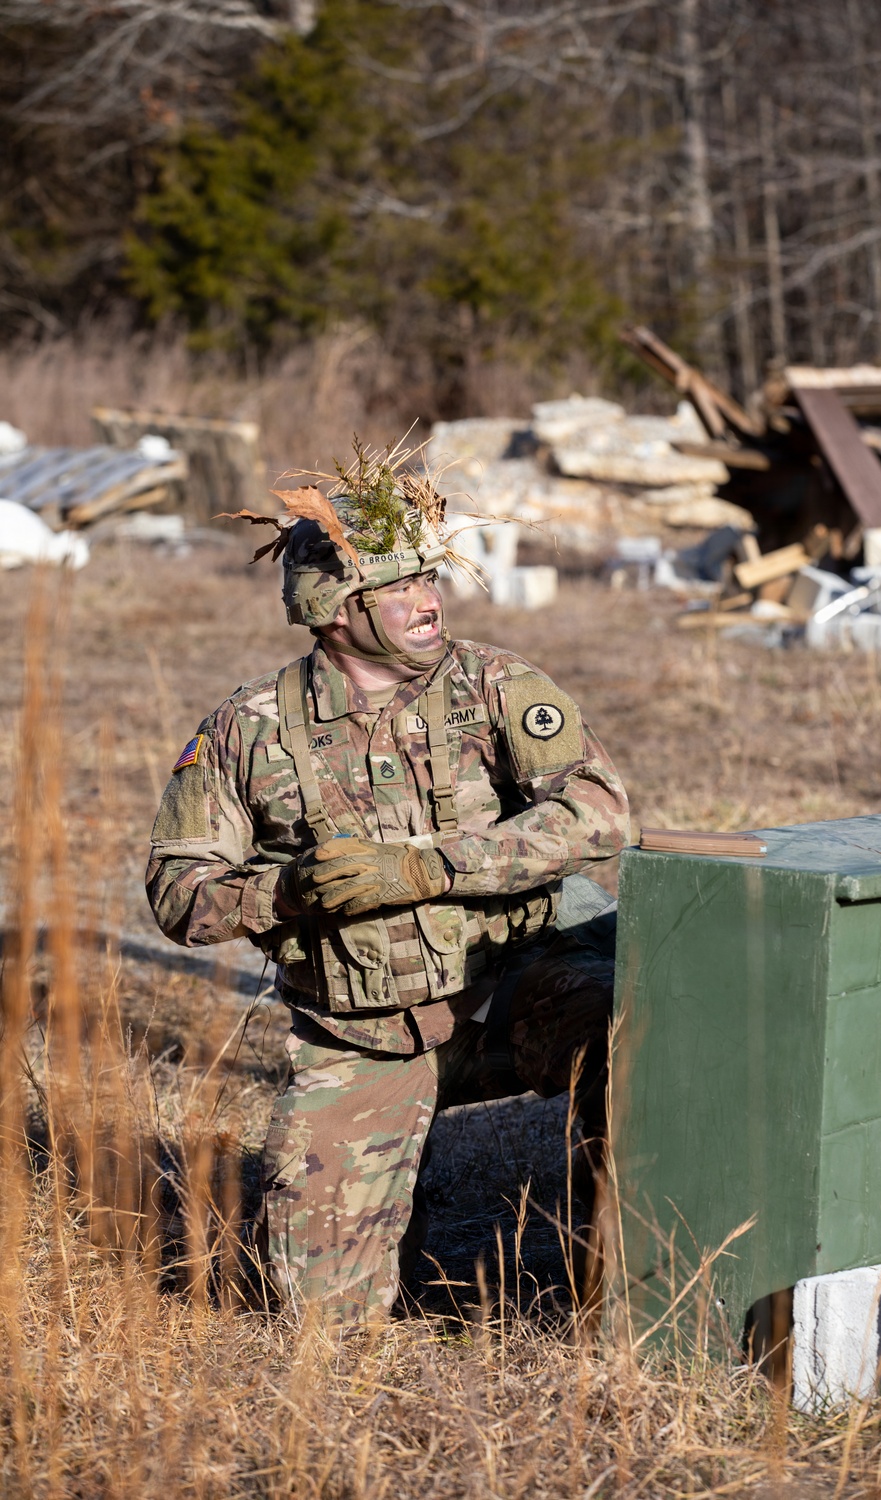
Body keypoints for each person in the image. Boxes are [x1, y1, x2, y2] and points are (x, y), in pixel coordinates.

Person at [146, 457, 630, 1324]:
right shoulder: (243, 731)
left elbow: (599, 814)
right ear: (333, 609)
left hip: (519, 989)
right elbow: (179, 893)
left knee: (644, 1045)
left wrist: (428, 867)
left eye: (429, 576)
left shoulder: (494, 685)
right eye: (397, 586)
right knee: (319, 1320)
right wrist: (288, 892)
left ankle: (621, 1281)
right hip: (364, 1029)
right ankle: (393, 1196)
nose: (427, 599)